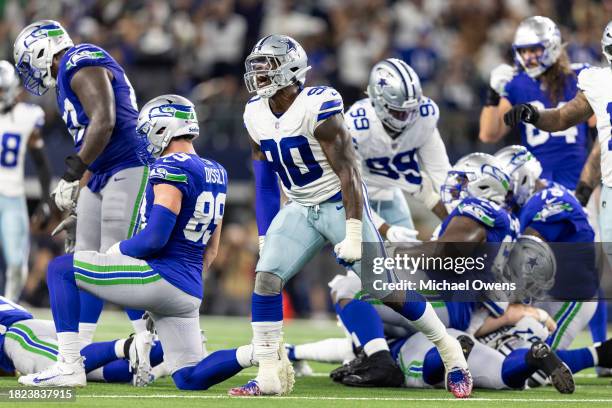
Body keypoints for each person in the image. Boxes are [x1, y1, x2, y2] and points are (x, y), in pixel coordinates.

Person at [233, 34, 471, 398]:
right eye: (258, 66)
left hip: (338, 203)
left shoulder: (319, 105)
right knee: (265, 279)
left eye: (268, 66)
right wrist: (266, 233)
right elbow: (265, 182)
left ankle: (451, 352)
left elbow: (349, 174)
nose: (260, 73)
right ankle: (268, 374)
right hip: (299, 206)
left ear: (292, 69)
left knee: (386, 289)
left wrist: (355, 229)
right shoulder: (254, 112)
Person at [17, 95, 230, 389]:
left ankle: (68, 366)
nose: (144, 139)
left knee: (61, 270)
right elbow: (212, 249)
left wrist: (120, 250)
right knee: (189, 377)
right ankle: (259, 354)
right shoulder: (216, 171)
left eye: (147, 130)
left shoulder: (170, 168)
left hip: (161, 277)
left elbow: (155, 238)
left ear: (162, 127)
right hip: (190, 288)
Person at [13, 20, 149, 343]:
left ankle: (149, 340)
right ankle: (79, 347)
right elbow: (91, 140)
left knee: (116, 259)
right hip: (102, 173)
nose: (29, 71)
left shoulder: (79, 59)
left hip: (128, 164)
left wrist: (71, 174)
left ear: (44, 49)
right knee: (86, 261)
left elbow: (104, 121)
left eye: (28, 60)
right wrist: (79, 199)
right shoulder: (64, 78)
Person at [479, 16, 593, 190]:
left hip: (578, 182)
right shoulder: (517, 83)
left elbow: (600, 129)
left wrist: (592, 178)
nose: (528, 57)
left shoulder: (580, 76)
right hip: (537, 184)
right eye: (523, 51)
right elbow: (489, 134)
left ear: (552, 45)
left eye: (534, 50)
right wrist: (493, 94)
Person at [345, 58, 451, 240]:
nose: (409, 118)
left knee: (407, 264)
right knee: (364, 264)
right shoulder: (356, 127)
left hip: (391, 194)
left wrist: (458, 218)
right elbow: (347, 192)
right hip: (351, 200)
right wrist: (386, 229)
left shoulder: (425, 117)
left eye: (413, 110)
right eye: (400, 112)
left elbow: (443, 175)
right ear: (377, 102)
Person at [0, 60, 51, 301]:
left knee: (17, 263)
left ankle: (6, 311)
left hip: (12, 196)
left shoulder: (27, 117)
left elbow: (41, 162)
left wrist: (43, 200)